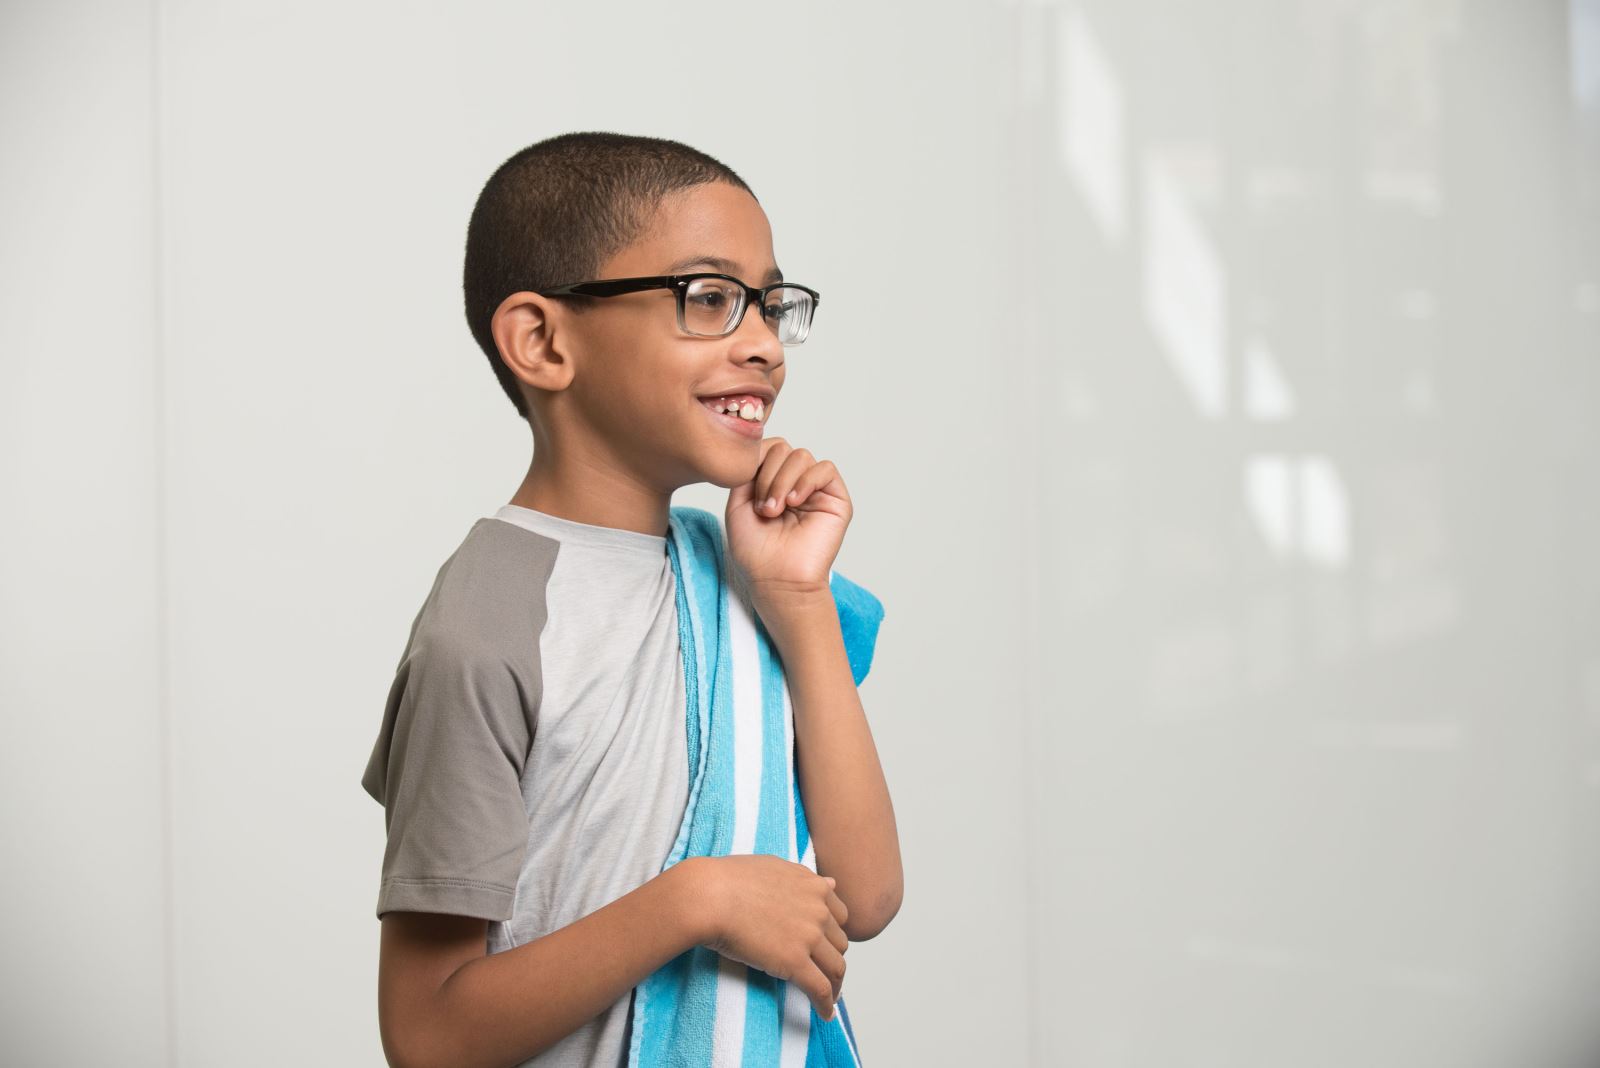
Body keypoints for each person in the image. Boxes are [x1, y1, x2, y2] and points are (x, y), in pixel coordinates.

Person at [360, 131, 902, 1068]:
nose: (765, 343)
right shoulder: (486, 629)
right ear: (542, 340)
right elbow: (429, 1033)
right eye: (710, 298)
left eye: (770, 304)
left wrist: (798, 603)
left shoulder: (741, 579)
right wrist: (697, 902)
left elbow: (863, 898)